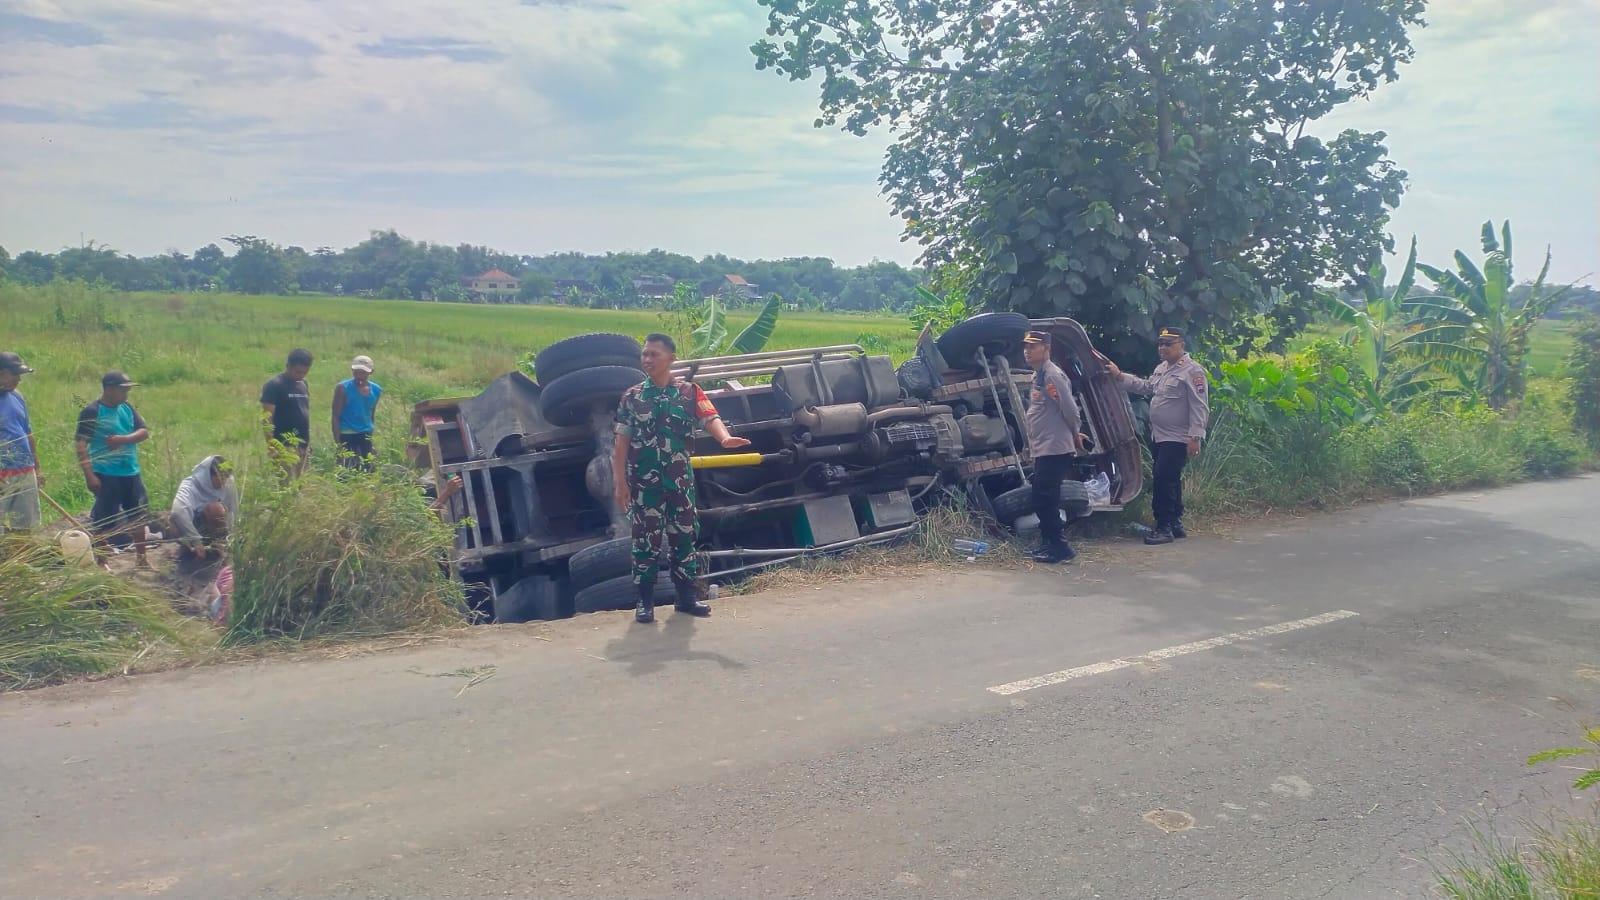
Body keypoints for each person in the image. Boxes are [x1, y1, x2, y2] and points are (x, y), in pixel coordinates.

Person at [611, 333, 751, 624]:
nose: (647, 360)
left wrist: (724, 440)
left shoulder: (689, 393)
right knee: (645, 541)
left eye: (654, 355)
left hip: (680, 484)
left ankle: (686, 598)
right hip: (644, 485)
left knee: (685, 537)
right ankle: (645, 602)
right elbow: (621, 443)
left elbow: (709, 417)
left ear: (671, 358)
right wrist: (620, 483)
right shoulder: (632, 397)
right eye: (645, 354)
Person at [1101, 327, 1209, 545]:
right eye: (1160, 343)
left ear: (1182, 345)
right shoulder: (1162, 369)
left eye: (1169, 343)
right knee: (1171, 480)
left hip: (1178, 437)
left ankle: (1164, 527)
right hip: (1159, 435)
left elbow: (1200, 406)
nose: (1163, 348)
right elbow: (1147, 387)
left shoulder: (1193, 371)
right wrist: (1120, 376)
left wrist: (1195, 437)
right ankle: (1176, 522)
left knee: (1162, 480)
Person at [75, 371, 152, 567]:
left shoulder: (126, 408)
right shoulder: (92, 411)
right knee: (104, 519)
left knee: (138, 516)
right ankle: (103, 562)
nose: (126, 395)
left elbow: (144, 432)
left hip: (131, 471)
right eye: (123, 390)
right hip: (106, 473)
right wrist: (89, 475)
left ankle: (142, 559)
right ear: (109, 389)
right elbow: (81, 444)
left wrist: (124, 439)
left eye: (127, 390)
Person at [1021, 331, 1083, 564]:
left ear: (1046, 348)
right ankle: (1049, 543)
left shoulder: (1052, 375)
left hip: (1055, 447)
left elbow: (1069, 408)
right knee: (1044, 497)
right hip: (1044, 446)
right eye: (1025, 347)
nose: (1027, 351)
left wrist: (1075, 433)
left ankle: (1059, 547)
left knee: (1044, 498)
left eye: (1033, 347)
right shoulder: (1038, 375)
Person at [0, 351, 42, 535]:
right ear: (1, 372)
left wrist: (36, 468)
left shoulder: (17, 396)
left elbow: (27, 432)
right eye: (15, 375)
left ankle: (21, 562)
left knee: (24, 527)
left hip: (24, 470)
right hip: (2, 474)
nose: (19, 380)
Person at [170, 455, 238, 561]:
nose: (224, 482)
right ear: (209, 476)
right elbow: (178, 513)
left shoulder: (228, 483)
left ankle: (217, 546)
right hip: (193, 530)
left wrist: (232, 536)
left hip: (215, 529)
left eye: (226, 478)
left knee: (217, 509)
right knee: (176, 519)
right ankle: (188, 549)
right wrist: (195, 540)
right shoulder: (190, 486)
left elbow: (232, 510)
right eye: (220, 478)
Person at [261, 349, 313, 475]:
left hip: (302, 445)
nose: (301, 375)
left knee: (300, 484)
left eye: (305, 372)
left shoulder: (303, 384)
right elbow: (267, 418)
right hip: (283, 445)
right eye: (298, 372)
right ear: (288, 366)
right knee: (285, 483)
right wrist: (272, 445)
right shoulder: (274, 385)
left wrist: (307, 444)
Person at [330, 355, 382, 469]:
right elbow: (335, 416)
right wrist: (338, 444)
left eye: (363, 372)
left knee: (368, 469)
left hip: (365, 433)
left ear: (371, 372)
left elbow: (371, 413)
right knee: (347, 470)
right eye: (356, 372)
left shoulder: (376, 390)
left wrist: (370, 437)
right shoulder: (342, 388)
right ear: (352, 370)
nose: (359, 375)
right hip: (347, 434)